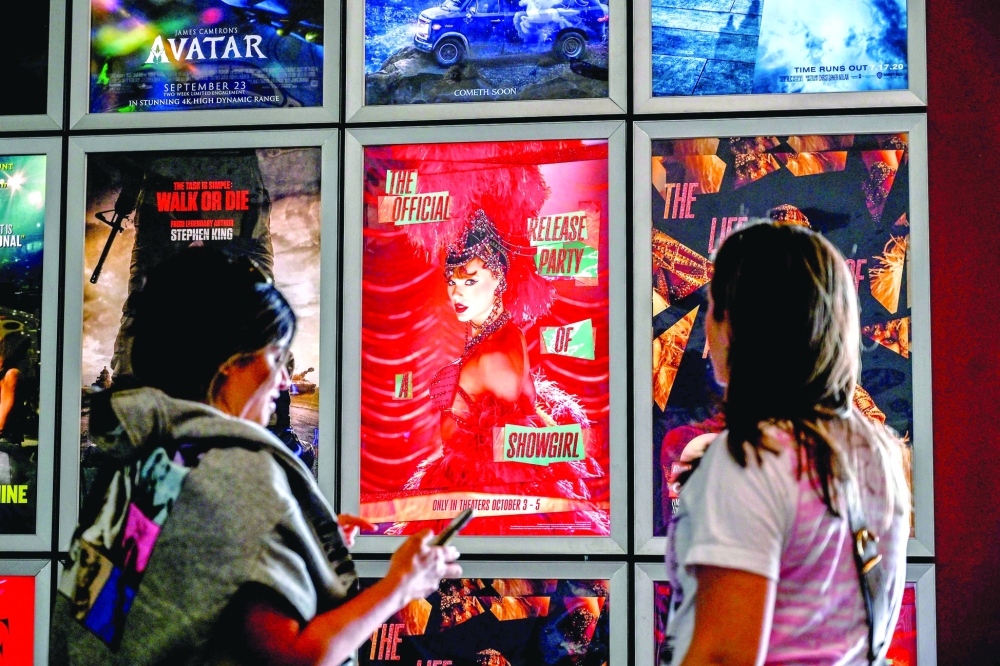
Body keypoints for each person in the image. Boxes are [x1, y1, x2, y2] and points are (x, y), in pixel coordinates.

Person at [51, 247, 461, 665]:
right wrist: (401, 585)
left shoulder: (147, 451)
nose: (284, 380)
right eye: (277, 357)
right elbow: (298, 659)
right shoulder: (236, 469)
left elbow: (165, 580)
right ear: (232, 360)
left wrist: (286, 538)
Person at [663, 223, 910, 665]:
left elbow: (722, 656)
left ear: (741, 325)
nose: (704, 325)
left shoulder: (751, 458)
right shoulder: (878, 451)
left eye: (713, 308)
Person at [392, 209, 606, 535]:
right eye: (452, 282)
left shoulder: (495, 355)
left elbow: (517, 447)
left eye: (470, 280)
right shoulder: (503, 334)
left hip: (481, 512)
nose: (457, 293)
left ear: (499, 278)